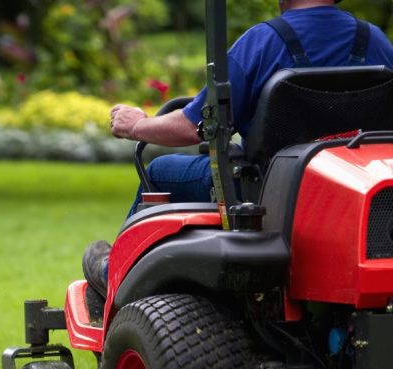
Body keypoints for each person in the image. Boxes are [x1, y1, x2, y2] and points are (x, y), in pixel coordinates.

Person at [84, 0, 393, 313]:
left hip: (264, 193)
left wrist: (137, 125)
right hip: (353, 193)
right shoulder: (376, 41)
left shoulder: (263, 42)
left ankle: (113, 274)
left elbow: (192, 127)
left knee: (162, 168)